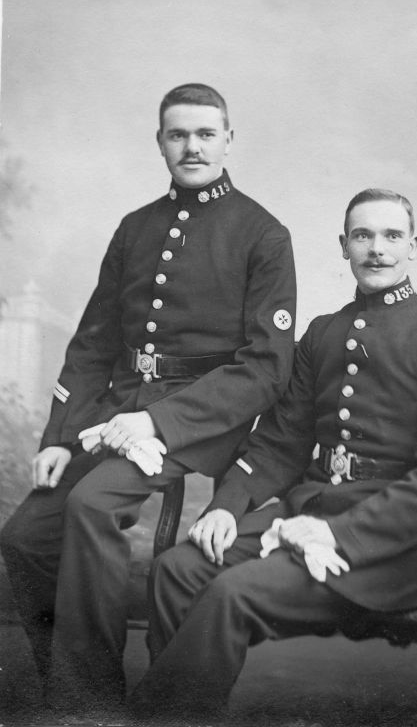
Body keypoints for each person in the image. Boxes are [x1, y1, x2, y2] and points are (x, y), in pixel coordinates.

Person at [130, 188, 417, 724]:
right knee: (179, 568)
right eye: (363, 235)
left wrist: (337, 535)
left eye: (391, 236)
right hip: (307, 512)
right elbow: (281, 441)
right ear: (343, 246)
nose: (377, 249)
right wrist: (229, 504)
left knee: (233, 592)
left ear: (414, 246)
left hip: (389, 548)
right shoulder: (324, 332)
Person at [0, 83, 296, 717]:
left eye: (205, 134)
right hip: (119, 407)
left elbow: (267, 369)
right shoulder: (136, 227)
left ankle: (89, 701)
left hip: (200, 419)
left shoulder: (263, 234)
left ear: (228, 140)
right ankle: (73, 676)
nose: (191, 147)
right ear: (160, 142)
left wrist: (157, 420)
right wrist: (57, 435)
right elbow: (92, 344)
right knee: (25, 536)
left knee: (92, 502)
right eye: (177, 134)